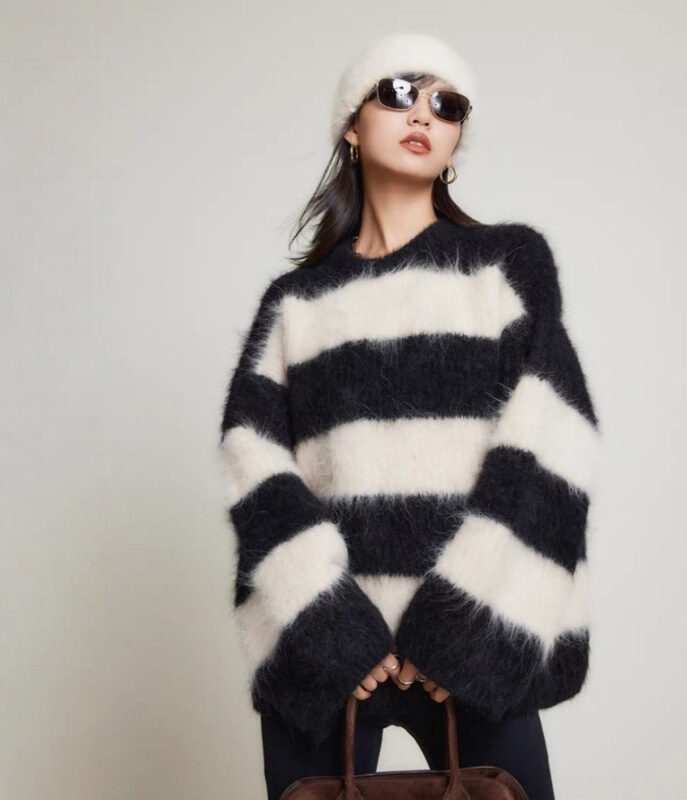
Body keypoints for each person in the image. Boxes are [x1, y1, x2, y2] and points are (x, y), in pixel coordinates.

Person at [217, 31, 601, 799]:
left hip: (474, 640)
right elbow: (252, 459)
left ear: (455, 140)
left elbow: (553, 435)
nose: (424, 113)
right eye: (398, 93)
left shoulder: (504, 265)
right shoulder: (295, 304)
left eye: (447, 104)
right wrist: (329, 625)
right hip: (328, 647)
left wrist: (462, 623)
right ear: (351, 128)